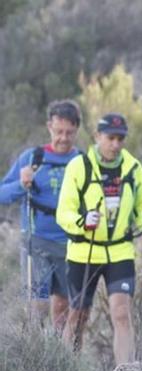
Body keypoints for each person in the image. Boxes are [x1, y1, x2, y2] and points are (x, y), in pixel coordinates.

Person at [57, 113, 142, 365]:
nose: (116, 144)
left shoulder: (133, 168)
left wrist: (141, 224)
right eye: (111, 138)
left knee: (121, 314)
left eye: (121, 139)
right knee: (78, 315)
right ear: (97, 136)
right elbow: (64, 210)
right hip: (83, 251)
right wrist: (83, 221)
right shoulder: (79, 166)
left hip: (120, 251)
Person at [0, 100, 82, 330]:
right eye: (58, 132)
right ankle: (33, 353)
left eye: (69, 132)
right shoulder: (32, 158)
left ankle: (57, 358)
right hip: (36, 242)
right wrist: (21, 183)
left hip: (71, 244)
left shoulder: (82, 161)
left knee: (63, 308)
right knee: (38, 304)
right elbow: (2, 194)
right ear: (49, 127)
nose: (63, 138)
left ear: (77, 130)